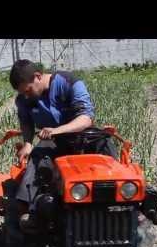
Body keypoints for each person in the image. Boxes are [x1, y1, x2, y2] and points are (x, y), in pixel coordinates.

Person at [9, 59, 116, 232]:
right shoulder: (24, 99)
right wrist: (28, 143)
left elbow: (85, 118)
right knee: (38, 156)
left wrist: (57, 130)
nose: (26, 95)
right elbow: (26, 122)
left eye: (28, 90)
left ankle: (120, 199)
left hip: (81, 136)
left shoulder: (68, 82)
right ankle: (31, 209)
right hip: (55, 141)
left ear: (37, 76)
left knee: (104, 143)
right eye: (24, 93)